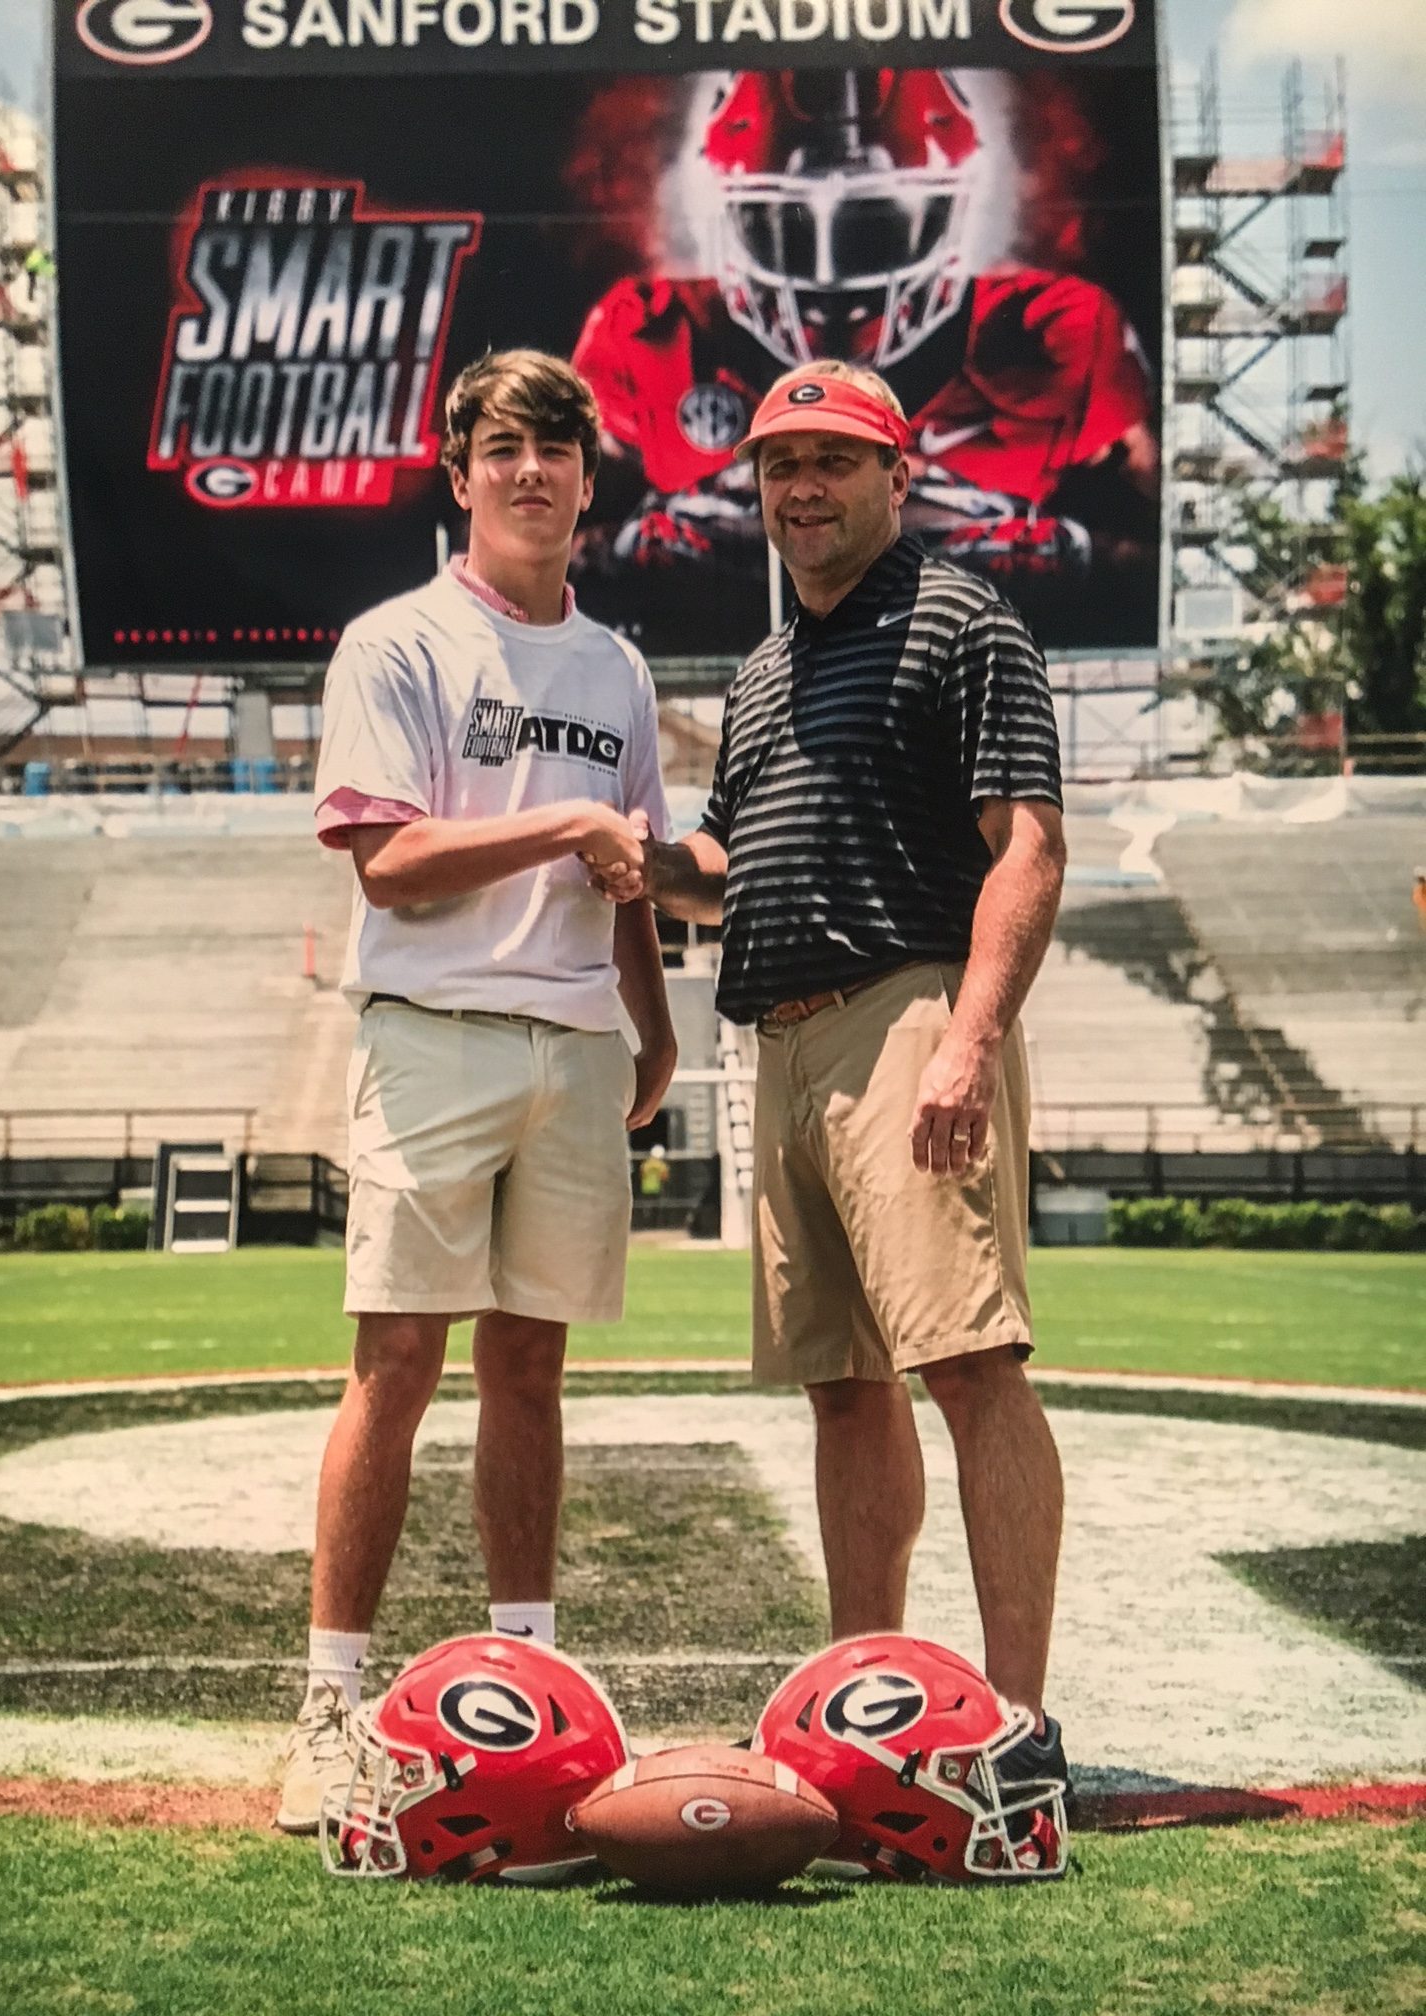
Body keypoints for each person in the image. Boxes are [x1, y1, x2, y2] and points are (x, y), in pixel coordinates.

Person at [595, 358, 1070, 1788]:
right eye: (777, 464)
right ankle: (866, 1708)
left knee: (969, 1364)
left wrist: (971, 1040)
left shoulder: (964, 621)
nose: (799, 487)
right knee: (842, 1389)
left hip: (910, 1014)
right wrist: (645, 860)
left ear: (895, 472)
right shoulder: (757, 674)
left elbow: (1029, 849)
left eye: (832, 461)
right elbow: (732, 865)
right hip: (778, 1039)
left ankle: (1017, 1724)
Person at [279, 349, 676, 1834]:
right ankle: (329, 1699)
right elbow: (386, 858)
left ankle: (536, 1676)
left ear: (588, 478)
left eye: (556, 449)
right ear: (461, 476)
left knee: (530, 1373)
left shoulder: (619, 668)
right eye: (502, 448)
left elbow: (628, 868)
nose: (530, 473)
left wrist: (652, 1021)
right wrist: (568, 817)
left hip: (577, 1047)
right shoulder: (397, 641)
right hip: (435, 1032)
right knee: (395, 1365)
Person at [572, 68, 1157, 639]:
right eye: (785, 225)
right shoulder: (643, 332)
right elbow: (547, 551)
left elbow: (1154, 563)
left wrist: (1054, 549)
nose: (829, 277)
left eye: (875, 226)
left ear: (954, 212)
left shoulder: (1061, 332)